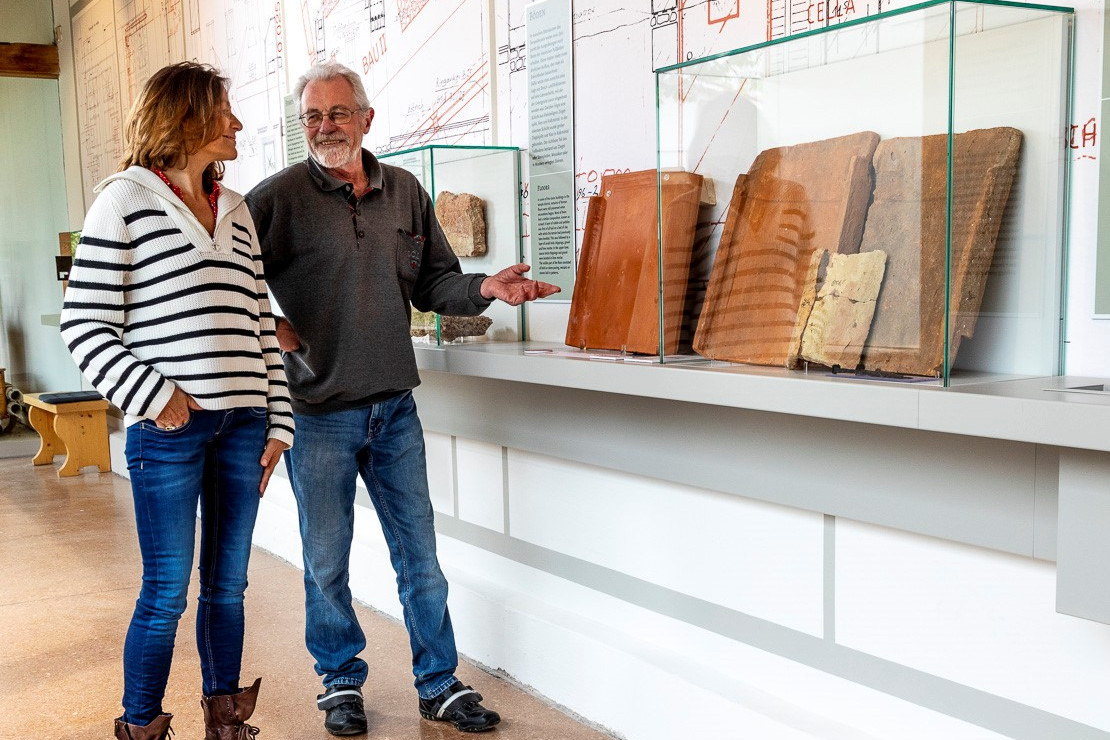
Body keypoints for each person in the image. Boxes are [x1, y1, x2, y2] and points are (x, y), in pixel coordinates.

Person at [246, 62, 558, 735]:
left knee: (420, 558)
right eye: (312, 117)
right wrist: (266, 325)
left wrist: (484, 290)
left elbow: (434, 284)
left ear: (366, 118)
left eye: (336, 113)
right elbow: (222, 277)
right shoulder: (275, 198)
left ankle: (439, 683)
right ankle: (339, 684)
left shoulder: (406, 192)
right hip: (317, 415)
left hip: (395, 411)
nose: (325, 127)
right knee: (326, 563)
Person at [60, 62, 294, 740]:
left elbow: (260, 322)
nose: (237, 124)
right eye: (225, 110)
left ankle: (225, 721)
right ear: (186, 117)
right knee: (166, 593)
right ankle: (140, 727)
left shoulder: (238, 208)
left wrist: (279, 419)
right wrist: (155, 395)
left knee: (229, 586)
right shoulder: (122, 202)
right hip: (169, 431)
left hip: (246, 425)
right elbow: (85, 325)